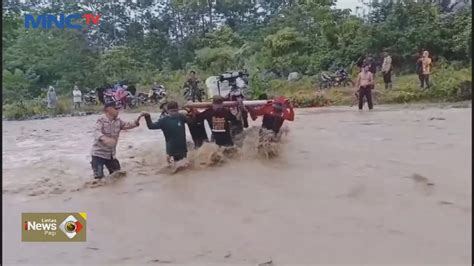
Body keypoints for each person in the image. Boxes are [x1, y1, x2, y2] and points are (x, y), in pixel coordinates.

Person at [90, 101, 143, 179]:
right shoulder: (101, 120)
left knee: (119, 176)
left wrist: (139, 118)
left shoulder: (118, 121)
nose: (118, 111)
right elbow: (96, 132)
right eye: (116, 109)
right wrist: (104, 139)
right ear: (109, 109)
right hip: (98, 155)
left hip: (110, 155)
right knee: (99, 180)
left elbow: (129, 125)